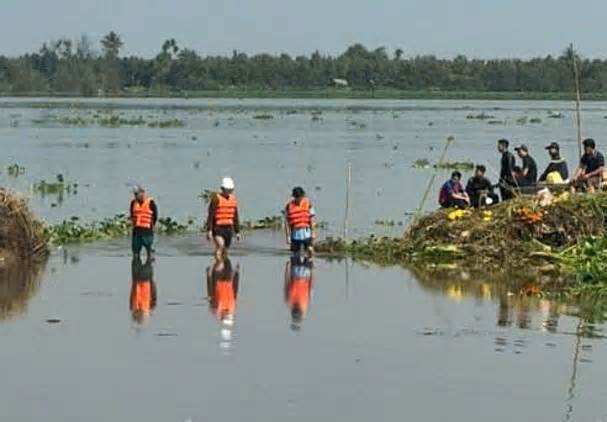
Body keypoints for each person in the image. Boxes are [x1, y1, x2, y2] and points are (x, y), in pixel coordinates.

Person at [207, 257, 239, 350]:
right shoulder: (228, 308)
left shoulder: (215, 308)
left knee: (222, 257)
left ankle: (222, 246)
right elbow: (235, 291)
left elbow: (210, 292)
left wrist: (208, 276)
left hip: (218, 278)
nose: (227, 314)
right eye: (228, 316)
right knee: (223, 257)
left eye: (226, 316)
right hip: (223, 277)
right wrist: (237, 273)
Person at [205, 177, 241, 260]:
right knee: (220, 246)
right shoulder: (216, 199)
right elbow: (210, 216)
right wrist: (209, 230)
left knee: (225, 250)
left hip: (229, 228)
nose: (229, 191)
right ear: (222, 189)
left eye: (231, 189)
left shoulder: (233, 199)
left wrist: (237, 231)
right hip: (217, 228)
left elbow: (235, 216)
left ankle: (224, 268)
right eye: (227, 189)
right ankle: (217, 265)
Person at [284, 187, 316, 259]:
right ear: (294, 197)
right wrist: (288, 237)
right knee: (295, 255)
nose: (299, 199)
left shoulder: (308, 204)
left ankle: (310, 262)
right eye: (297, 197)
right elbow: (286, 223)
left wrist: (313, 232)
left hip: (306, 233)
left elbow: (312, 219)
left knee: (310, 250)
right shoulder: (289, 206)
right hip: (295, 234)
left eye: (300, 197)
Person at [284, 256, 313, 331]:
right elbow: (311, 286)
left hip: (297, 272)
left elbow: (286, 282)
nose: (296, 310)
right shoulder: (305, 303)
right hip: (305, 273)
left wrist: (287, 268)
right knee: (308, 254)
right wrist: (313, 270)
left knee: (297, 253)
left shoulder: (289, 300)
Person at [130, 185, 158, 260]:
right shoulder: (133, 203)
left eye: (137, 194)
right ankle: (136, 267)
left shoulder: (150, 202)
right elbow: (132, 216)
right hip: (136, 231)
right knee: (135, 252)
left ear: (142, 193)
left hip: (147, 231)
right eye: (135, 194)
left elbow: (155, 216)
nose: (136, 196)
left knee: (149, 251)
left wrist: (153, 226)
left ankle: (150, 265)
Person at [130, 257, 157, 324]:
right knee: (143, 258)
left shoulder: (133, 307)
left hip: (141, 280)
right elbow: (153, 295)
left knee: (137, 257)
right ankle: (151, 255)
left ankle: (150, 256)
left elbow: (132, 294)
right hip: (143, 280)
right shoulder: (149, 308)